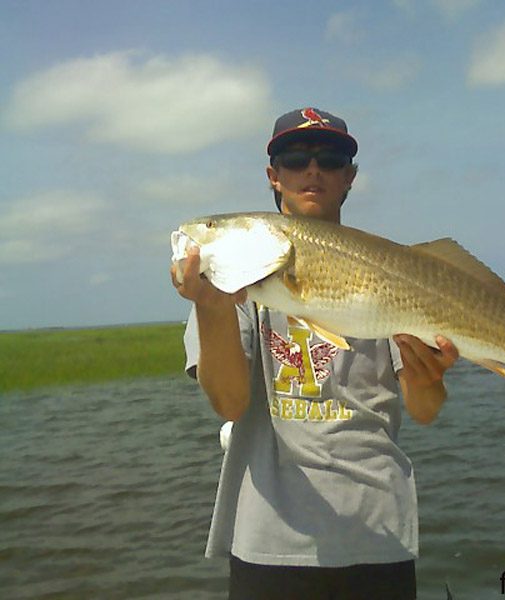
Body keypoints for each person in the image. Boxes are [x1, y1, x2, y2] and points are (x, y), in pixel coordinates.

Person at [171, 107, 459, 600]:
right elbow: (230, 403)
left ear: (349, 177)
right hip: (269, 540)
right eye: (294, 158)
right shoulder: (231, 293)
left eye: (329, 158)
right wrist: (213, 308)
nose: (312, 170)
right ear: (273, 177)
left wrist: (429, 376)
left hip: (377, 534)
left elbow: (425, 409)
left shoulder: (388, 272)